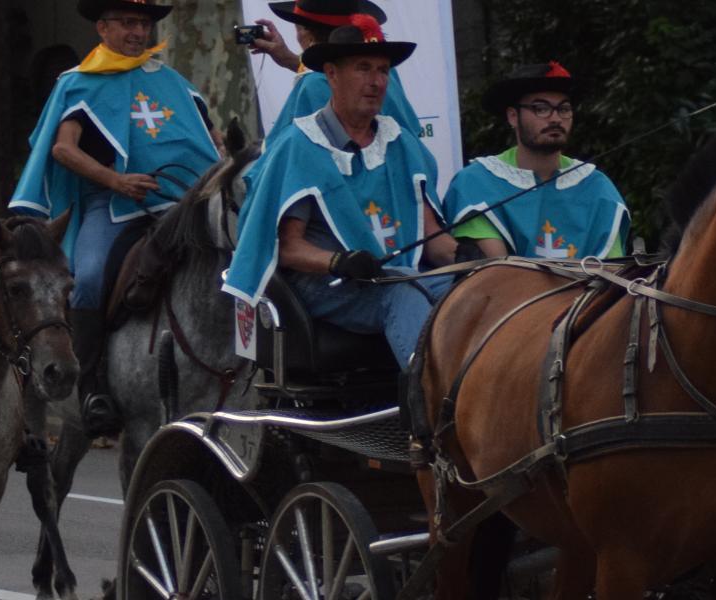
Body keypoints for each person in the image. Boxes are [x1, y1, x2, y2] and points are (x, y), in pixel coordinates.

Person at [9, 0, 219, 436]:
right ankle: (92, 388)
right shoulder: (79, 82)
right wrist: (116, 181)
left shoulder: (173, 81)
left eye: (144, 23)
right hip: (111, 205)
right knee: (86, 279)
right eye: (127, 23)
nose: (138, 32)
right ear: (103, 27)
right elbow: (63, 148)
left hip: (182, 205)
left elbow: (211, 139)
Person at [224, 18, 457, 370]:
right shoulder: (299, 145)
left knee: (479, 290)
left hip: (394, 274)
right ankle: (433, 412)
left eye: (382, 70)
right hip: (325, 283)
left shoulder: (400, 142)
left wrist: (471, 261)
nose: (376, 82)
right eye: (363, 69)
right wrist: (338, 262)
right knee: (400, 293)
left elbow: (430, 236)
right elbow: (286, 248)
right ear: (331, 74)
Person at [444, 62, 629, 260]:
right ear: (513, 117)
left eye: (564, 109)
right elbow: (496, 273)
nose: (556, 118)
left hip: (593, 291)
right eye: (541, 108)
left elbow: (613, 273)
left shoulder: (597, 187)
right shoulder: (476, 182)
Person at [245, 0, 418, 134]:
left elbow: (289, 162)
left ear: (307, 32)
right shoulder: (383, 68)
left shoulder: (313, 86)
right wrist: (291, 60)